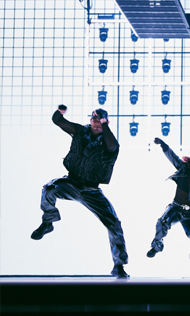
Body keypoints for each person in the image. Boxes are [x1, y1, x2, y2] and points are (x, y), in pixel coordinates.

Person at [33, 105, 129, 278]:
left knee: (114, 224)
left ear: (106, 122)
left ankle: (119, 265)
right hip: (71, 183)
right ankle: (48, 223)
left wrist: (104, 124)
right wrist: (60, 111)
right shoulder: (79, 131)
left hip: (91, 190)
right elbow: (58, 121)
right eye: (94, 119)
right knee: (48, 190)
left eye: (101, 120)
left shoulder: (109, 140)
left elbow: (112, 147)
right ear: (90, 120)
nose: (97, 123)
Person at [147, 137, 190, 258]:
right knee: (162, 223)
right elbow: (173, 157)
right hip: (176, 208)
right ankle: (156, 247)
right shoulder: (183, 169)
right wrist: (163, 144)